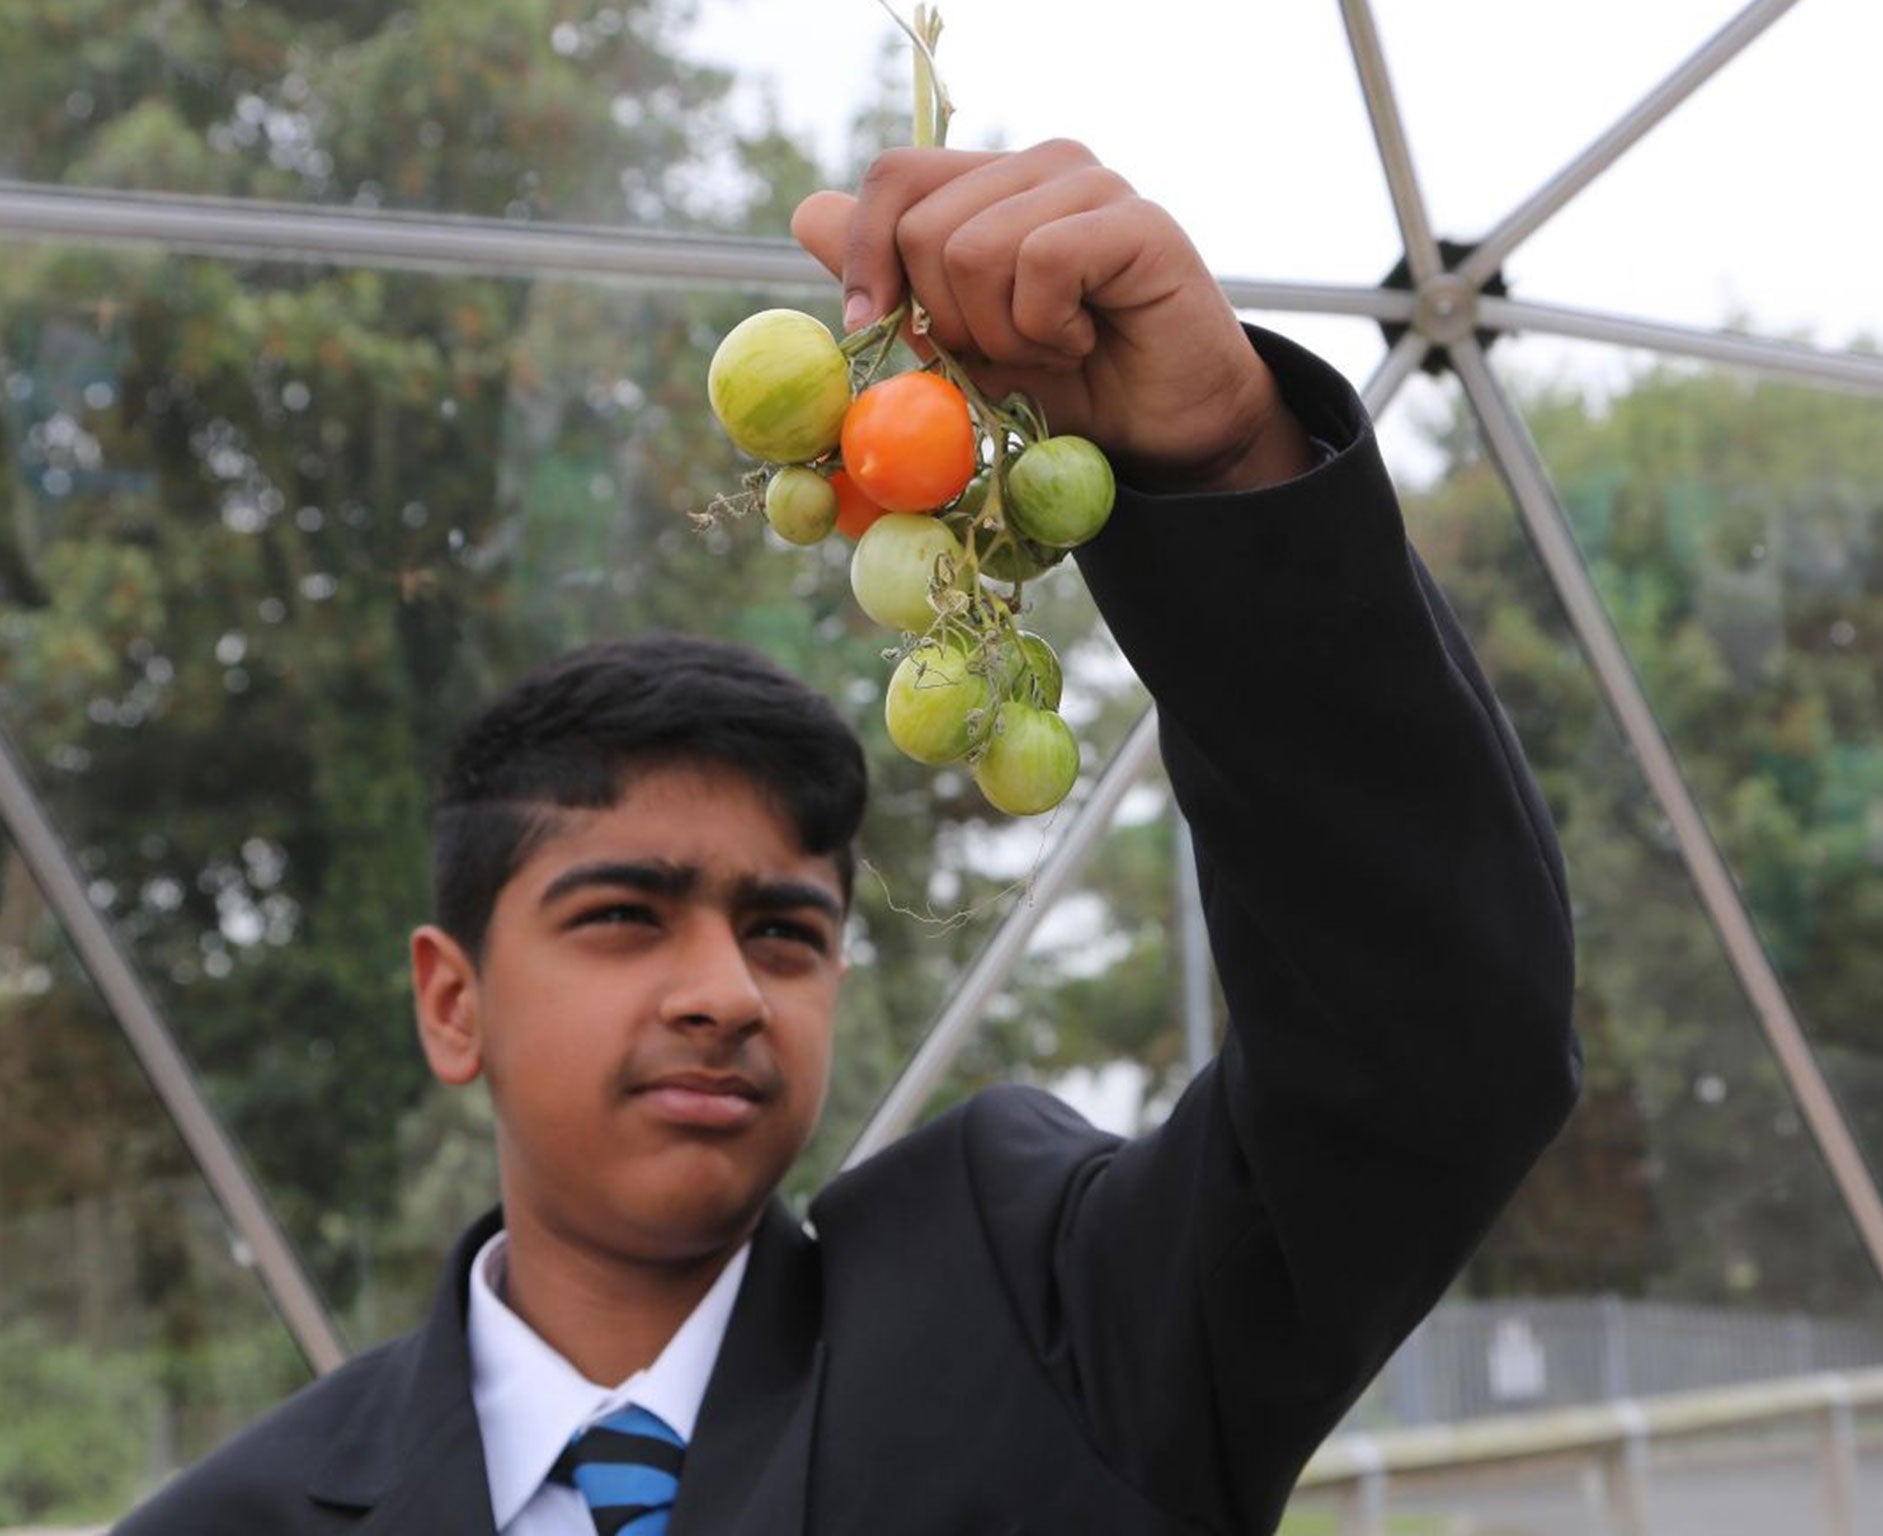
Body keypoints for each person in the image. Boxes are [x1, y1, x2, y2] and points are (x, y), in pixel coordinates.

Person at [115, 139, 1579, 1535]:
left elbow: (1428, 1063)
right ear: (452, 1000)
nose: (726, 992)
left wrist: (1216, 459)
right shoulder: (235, 1524)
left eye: (786, 931)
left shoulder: (1045, 1322)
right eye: (624, 914)